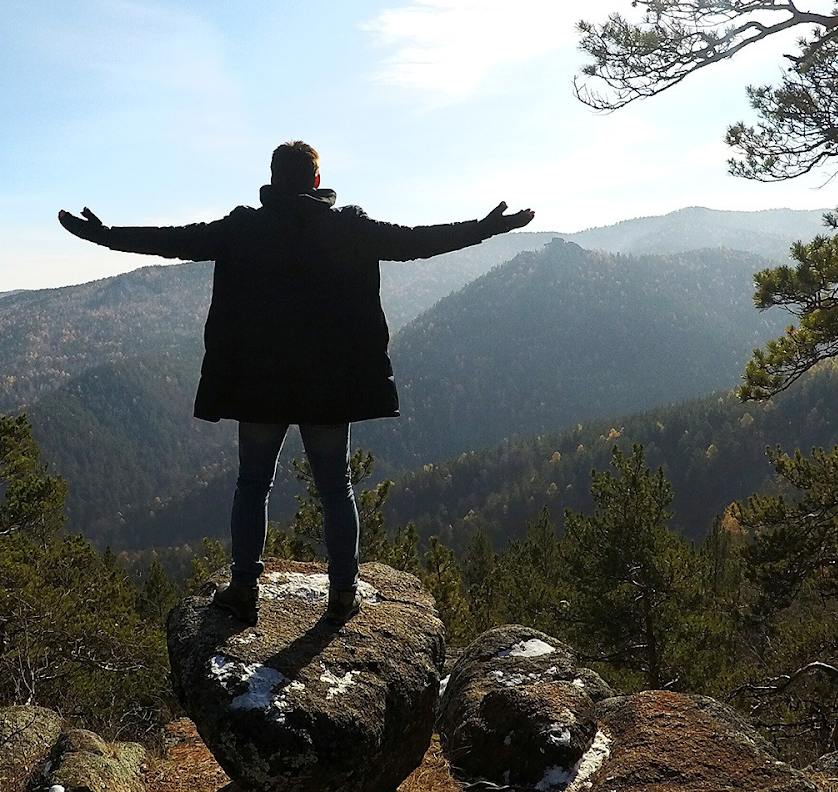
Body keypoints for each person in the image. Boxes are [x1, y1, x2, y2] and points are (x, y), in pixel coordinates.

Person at [58, 141, 533, 626]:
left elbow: (175, 240)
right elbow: (417, 241)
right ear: (316, 181)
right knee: (335, 488)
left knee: (252, 485)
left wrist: (105, 235)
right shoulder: (349, 228)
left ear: (272, 178)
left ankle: (244, 588)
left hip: (259, 386)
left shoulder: (244, 229)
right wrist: (486, 229)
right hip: (329, 388)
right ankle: (343, 593)